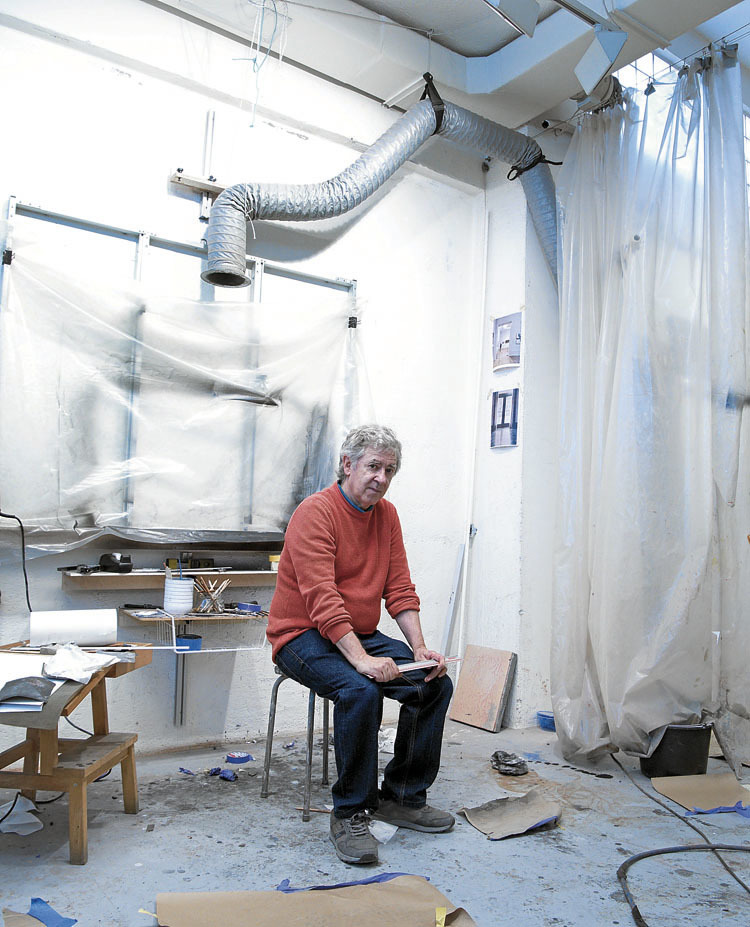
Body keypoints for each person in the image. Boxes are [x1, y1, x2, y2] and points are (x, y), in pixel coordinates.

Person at [267, 424, 454, 865]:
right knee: (360, 690)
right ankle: (350, 812)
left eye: (390, 470)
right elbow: (322, 598)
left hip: (358, 632)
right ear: (347, 464)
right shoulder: (315, 513)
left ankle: (402, 798)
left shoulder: (386, 516)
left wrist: (419, 649)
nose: (382, 478)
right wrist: (362, 661)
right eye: (373, 466)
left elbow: (400, 588)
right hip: (300, 633)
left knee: (432, 683)